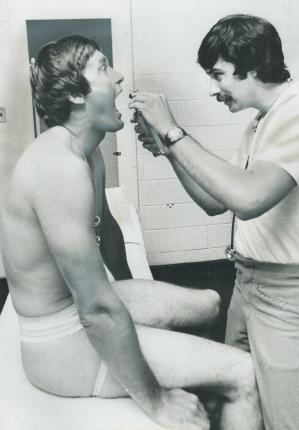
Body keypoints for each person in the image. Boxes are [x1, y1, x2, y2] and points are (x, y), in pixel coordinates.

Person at [0, 35, 263, 430]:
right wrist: (156, 402)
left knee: (209, 302)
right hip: (60, 345)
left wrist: (135, 306)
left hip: (79, 308)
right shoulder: (57, 167)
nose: (120, 77)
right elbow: (97, 310)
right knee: (245, 374)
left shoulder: (87, 153)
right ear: (75, 93)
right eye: (105, 68)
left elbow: (109, 239)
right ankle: (218, 393)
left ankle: (204, 397)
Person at [129, 13, 299, 430]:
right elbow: (215, 202)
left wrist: (173, 131)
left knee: (290, 422)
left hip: (292, 297)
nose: (214, 88)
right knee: (239, 402)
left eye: (219, 74)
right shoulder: (263, 120)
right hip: (249, 283)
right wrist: (169, 150)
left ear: (252, 65)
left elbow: (248, 197)